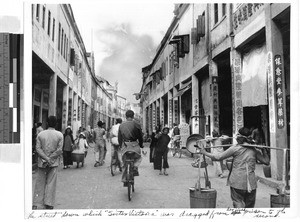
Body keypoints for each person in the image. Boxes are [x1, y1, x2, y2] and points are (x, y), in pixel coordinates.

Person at [198, 127, 270, 208]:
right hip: (251, 184)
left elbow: (218, 157)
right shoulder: (253, 150)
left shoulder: (235, 148)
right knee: (249, 208)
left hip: (237, 182)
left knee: (238, 203)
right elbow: (266, 161)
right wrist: (264, 150)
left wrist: (204, 152)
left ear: (239, 138)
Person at [32, 116, 63, 210]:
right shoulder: (59, 135)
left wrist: (45, 158)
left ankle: (36, 203)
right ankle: (49, 203)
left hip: (42, 162)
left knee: (40, 182)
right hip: (53, 163)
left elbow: (38, 148)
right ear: (56, 124)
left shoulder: (41, 134)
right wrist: (50, 159)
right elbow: (59, 150)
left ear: (47, 123)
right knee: (51, 183)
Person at [118, 110, 144, 184]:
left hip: (125, 145)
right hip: (134, 145)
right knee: (139, 157)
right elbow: (140, 137)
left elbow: (119, 138)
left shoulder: (121, 125)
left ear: (126, 116)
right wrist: (141, 144)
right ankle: (135, 166)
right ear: (133, 116)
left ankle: (124, 178)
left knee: (124, 161)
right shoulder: (137, 124)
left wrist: (120, 146)